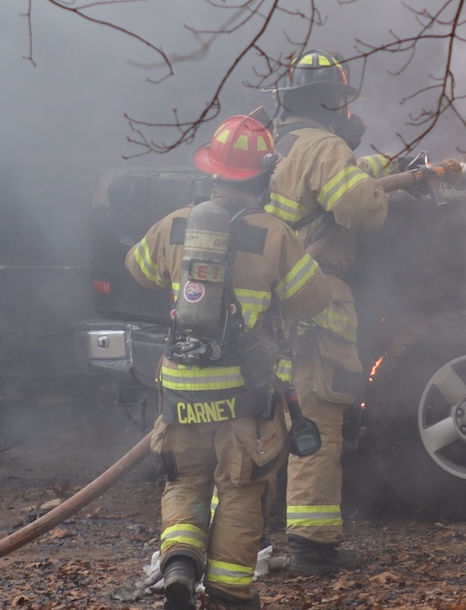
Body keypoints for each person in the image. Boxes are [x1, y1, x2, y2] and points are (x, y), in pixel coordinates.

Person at [125, 115, 331, 610]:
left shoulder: (174, 224)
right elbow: (314, 298)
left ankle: (179, 562)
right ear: (265, 176)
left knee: (184, 479)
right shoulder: (274, 234)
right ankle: (229, 591)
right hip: (244, 394)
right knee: (240, 489)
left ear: (213, 171)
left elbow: (138, 268)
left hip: (180, 387)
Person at [263, 49, 401, 575]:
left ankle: (227, 542)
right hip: (310, 305)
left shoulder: (272, 146)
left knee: (253, 426)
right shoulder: (325, 147)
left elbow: (324, 189)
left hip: (258, 309)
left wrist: (372, 165)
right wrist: (349, 156)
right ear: (336, 104)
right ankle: (313, 548)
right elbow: (360, 209)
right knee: (315, 421)